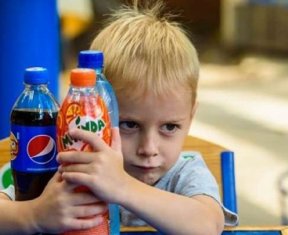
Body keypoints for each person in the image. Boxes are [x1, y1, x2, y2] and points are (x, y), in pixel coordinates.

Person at [0, 1, 238, 234]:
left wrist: (122, 186)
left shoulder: (185, 173)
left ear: (190, 116)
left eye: (169, 126)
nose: (149, 148)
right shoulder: (64, 164)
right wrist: (34, 215)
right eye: (130, 124)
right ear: (93, 114)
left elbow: (207, 226)